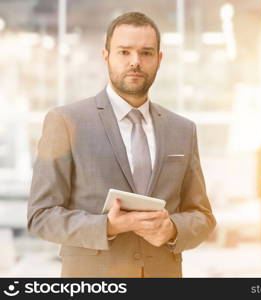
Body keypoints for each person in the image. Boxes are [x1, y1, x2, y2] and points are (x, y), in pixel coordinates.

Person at [27, 12, 216, 278]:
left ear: (159, 60)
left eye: (146, 53)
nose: (135, 62)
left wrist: (173, 229)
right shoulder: (66, 122)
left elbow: (203, 216)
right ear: (106, 57)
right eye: (124, 52)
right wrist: (107, 226)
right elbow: (40, 216)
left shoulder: (182, 129)